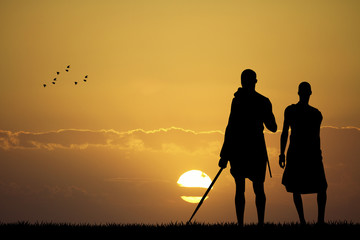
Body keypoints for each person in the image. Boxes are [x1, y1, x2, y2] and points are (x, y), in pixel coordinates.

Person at [219, 69, 277, 226]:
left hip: (250, 148)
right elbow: (230, 126)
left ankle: (255, 223)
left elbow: (272, 127)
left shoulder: (260, 101)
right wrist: (224, 155)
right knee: (245, 187)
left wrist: (224, 154)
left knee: (254, 187)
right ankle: (246, 224)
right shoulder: (242, 101)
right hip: (243, 148)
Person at [279, 82, 328, 224]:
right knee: (298, 187)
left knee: (317, 187)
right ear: (309, 93)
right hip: (302, 153)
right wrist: (282, 154)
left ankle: (313, 221)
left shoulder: (312, 113)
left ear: (299, 93)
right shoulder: (313, 113)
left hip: (304, 153)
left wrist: (282, 154)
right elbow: (285, 133)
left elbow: (285, 133)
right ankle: (310, 221)